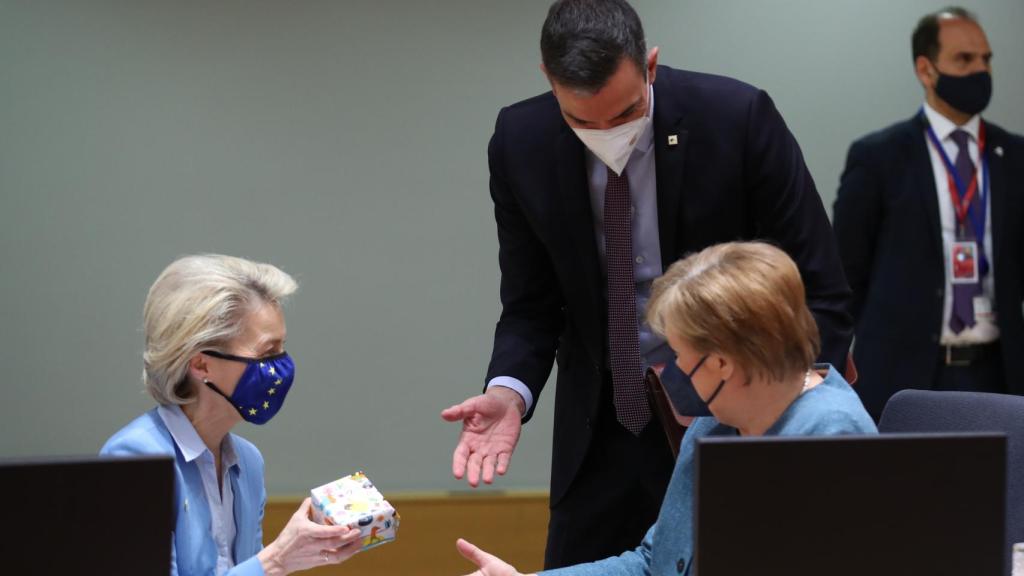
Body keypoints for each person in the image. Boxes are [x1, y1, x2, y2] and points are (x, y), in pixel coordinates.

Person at [441, 0, 853, 567]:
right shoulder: (522, 140)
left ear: (650, 65)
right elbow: (531, 303)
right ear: (549, 81)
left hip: (732, 416)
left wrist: (786, 412)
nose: (608, 135)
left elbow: (821, 289)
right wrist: (508, 391)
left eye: (626, 112)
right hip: (602, 428)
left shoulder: (736, 118)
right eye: (583, 122)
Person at [453, 242, 877, 576]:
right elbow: (654, 562)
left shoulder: (830, 434)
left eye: (680, 357)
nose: (679, 375)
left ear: (722, 364)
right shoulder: (718, 420)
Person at [101, 255, 362, 576]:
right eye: (268, 352)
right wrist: (277, 560)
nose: (282, 366)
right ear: (201, 365)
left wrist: (301, 555)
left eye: (282, 349)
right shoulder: (135, 458)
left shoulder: (248, 462)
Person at [833, 7, 1024, 420]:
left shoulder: (1016, 157)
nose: (980, 71)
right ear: (926, 69)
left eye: (986, 60)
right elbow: (846, 276)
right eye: (964, 60)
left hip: (1000, 373)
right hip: (904, 376)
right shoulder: (878, 157)